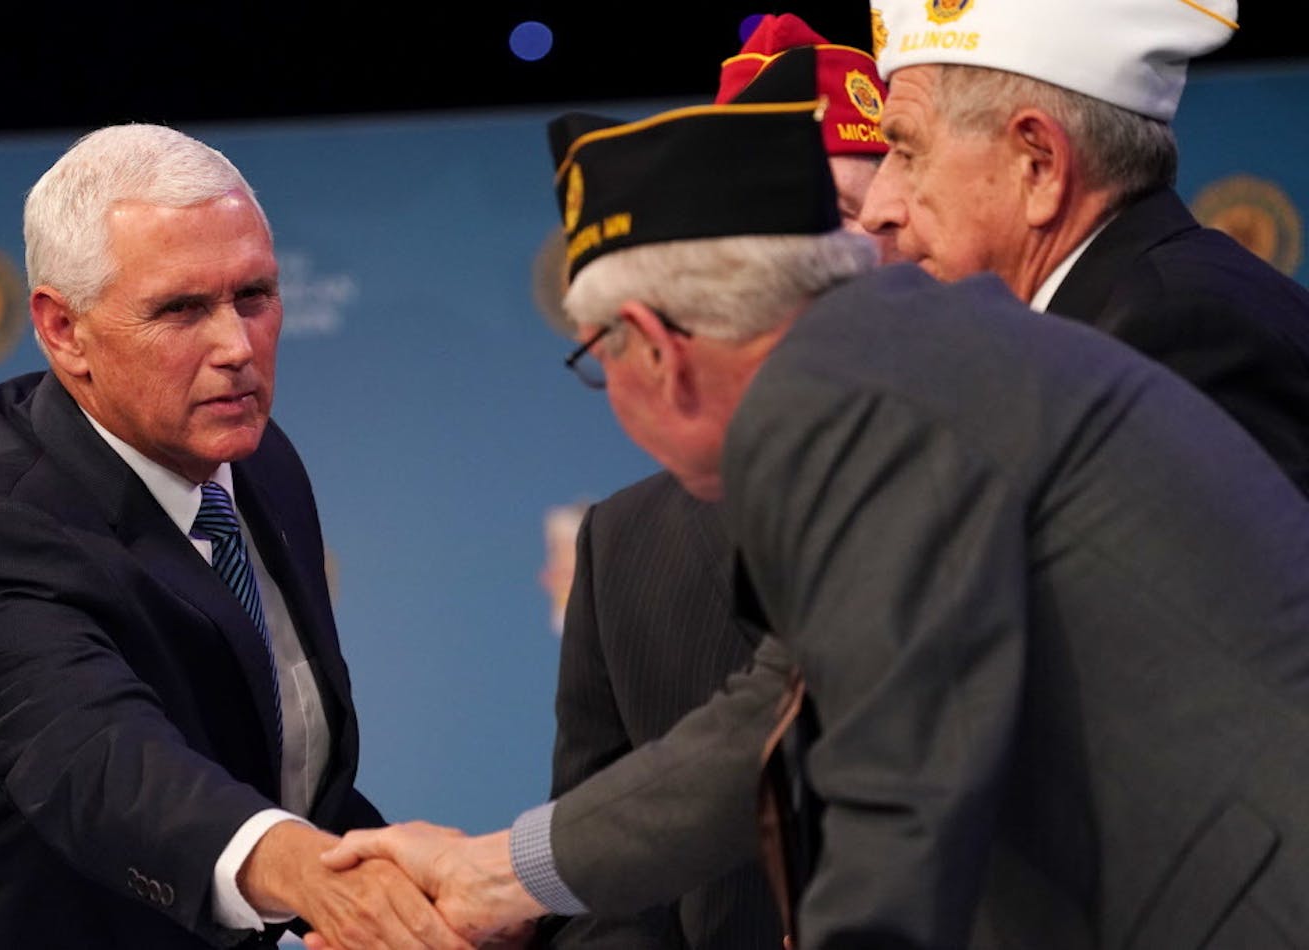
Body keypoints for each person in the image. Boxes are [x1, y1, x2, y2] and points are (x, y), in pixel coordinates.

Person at [320, 35, 1309, 950]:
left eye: (594, 356)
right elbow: (783, 710)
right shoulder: (899, 363)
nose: (888, 206)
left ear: (655, 350)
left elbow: (893, 804)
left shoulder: (855, 408)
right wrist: (498, 871)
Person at [0, 124, 468, 950]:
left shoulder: (256, 463)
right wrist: (319, 880)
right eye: (181, 309)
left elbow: (284, 779)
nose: (236, 348)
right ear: (63, 331)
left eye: (255, 296)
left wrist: (423, 891)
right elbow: (112, 770)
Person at [543, 16, 892, 950]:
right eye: (800, 234)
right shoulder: (624, 546)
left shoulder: (982, 461)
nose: (837, 265)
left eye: (854, 222)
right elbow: (608, 901)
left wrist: (493, 875)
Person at [859, 0, 1309, 492]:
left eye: (907, 152)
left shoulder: (1172, 339)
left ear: (1040, 166)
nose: (877, 207)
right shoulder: (1113, 319)